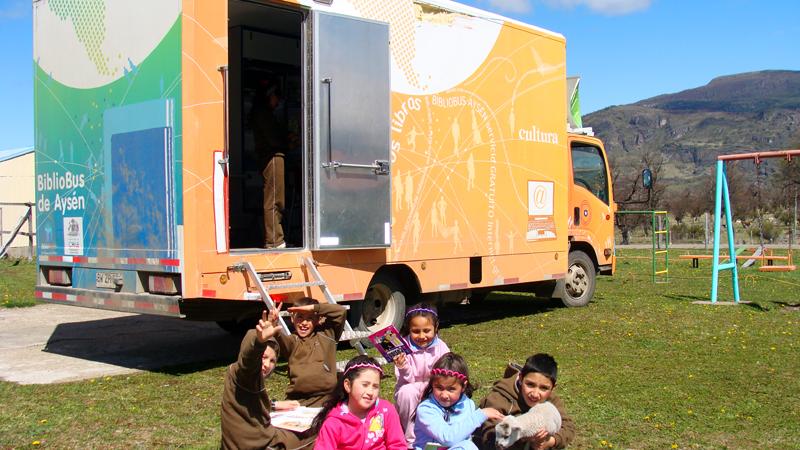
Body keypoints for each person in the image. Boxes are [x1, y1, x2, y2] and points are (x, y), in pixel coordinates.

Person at [220, 310, 312, 449]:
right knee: (314, 434)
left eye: (272, 360)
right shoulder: (245, 373)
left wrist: (274, 405)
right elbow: (248, 359)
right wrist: (259, 342)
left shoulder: (238, 373)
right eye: (263, 357)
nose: (267, 365)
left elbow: (248, 402)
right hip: (255, 444)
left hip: (243, 440)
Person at [476, 354, 575, 449]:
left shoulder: (550, 399)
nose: (535, 394)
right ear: (520, 378)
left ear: (552, 388)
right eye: (530, 384)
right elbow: (489, 439)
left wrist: (549, 442)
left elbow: (568, 427)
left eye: (543, 388)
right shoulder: (499, 399)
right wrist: (522, 437)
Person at [311, 355, 407, 450]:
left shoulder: (386, 410)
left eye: (375, 386)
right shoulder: (334, 423)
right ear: (348, 385)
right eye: (365, 385)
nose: (370, 392)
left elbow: (398, 445)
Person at [413, 353, 504, 450]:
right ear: (432, 384)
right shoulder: (426, 409)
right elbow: (447, 438)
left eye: (451, 389)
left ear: (463, 386)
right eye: (439, 388)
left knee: (468, 446)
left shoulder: (468, 405)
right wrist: (480, 415)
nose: (444, 395)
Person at [270, 297, 347, 407]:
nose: (304, 323)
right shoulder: (292, 341)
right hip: (298, 401)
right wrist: (273, 325)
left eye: (310, 318)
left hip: (326, 398)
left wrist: (313, 308)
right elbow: (280, 339)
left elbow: (340, 311)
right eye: (300, 317)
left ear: (318, 319)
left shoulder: (327, 334)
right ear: (292, 318)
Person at [393, 304, 451, 447]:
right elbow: (404, 381)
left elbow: (446, 374)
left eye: (426, 331)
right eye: (416, 331)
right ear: (409, 329)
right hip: (409, 387)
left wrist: (433, 386)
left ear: (435, 327)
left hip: (434, 387)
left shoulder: (441, 347)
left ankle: (438, 434)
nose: (422, 336)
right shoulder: (401, 347)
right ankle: (411, 440)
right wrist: (403, 366)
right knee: (407, 393)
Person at [250, 78, 289, 248]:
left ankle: (275, 238)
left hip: (272, 156)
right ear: (268, 96)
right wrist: (288, 141)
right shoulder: (263, 114)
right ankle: (274, 240)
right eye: (276, 96)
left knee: (276, 199)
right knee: (274, 200)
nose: (278, 100)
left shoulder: (263, 113)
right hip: (272, 157)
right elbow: (274, 139)